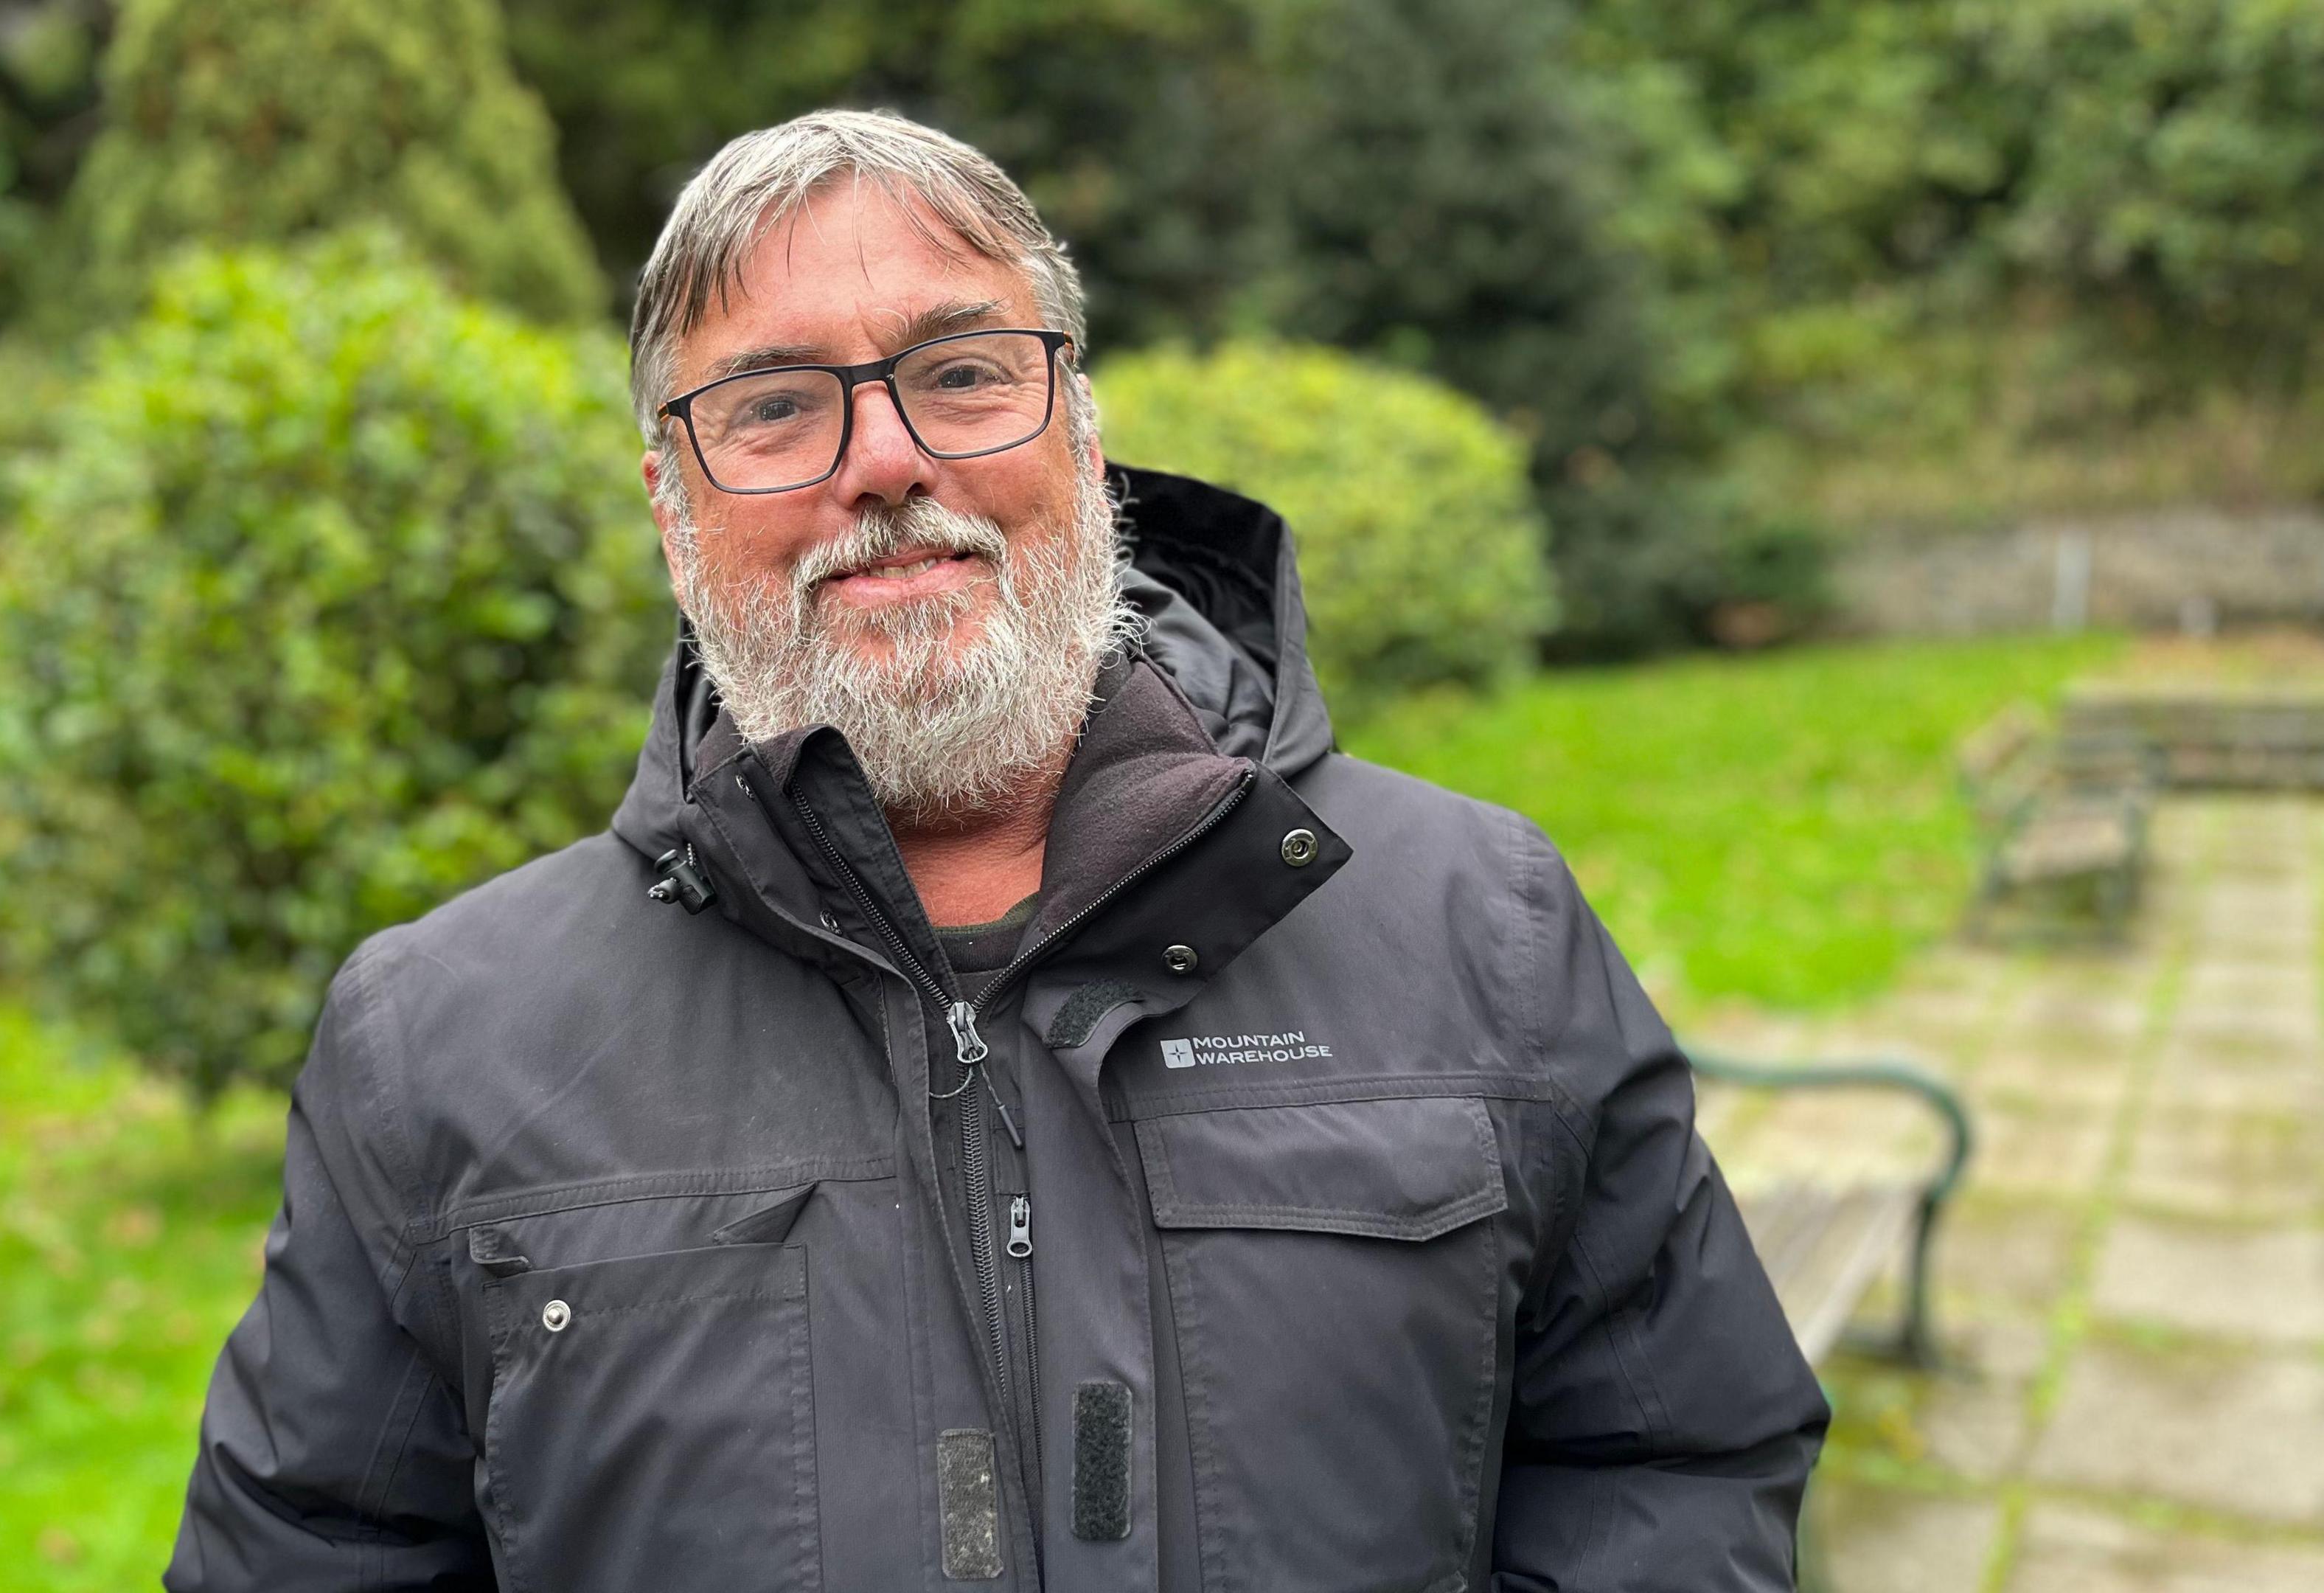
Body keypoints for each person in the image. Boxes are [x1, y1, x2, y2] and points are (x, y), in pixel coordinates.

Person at [165, 109, 1826, 1593]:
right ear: (674, 510)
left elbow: (1669, 1465)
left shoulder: (1489, 930)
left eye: (962, 373)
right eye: (773, 406)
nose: (886, 461)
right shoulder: (440, 1042)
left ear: (1084, 442)